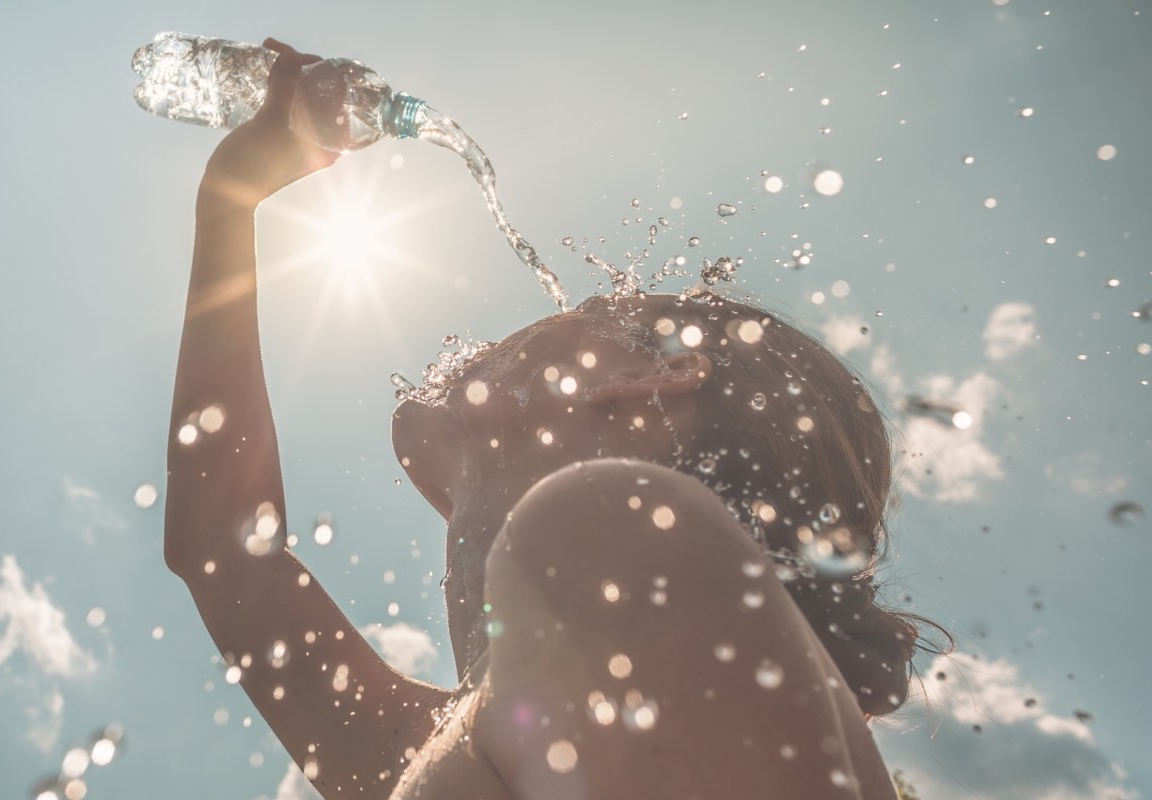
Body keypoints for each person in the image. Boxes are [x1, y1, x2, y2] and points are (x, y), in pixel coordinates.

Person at [163, 38, 950, 800]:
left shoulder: (609, 527)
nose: (536, 321)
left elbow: (226, 551)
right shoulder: (442, 745)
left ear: (655, 379)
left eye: (600, 306)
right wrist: (230, 200)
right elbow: (223, 548)